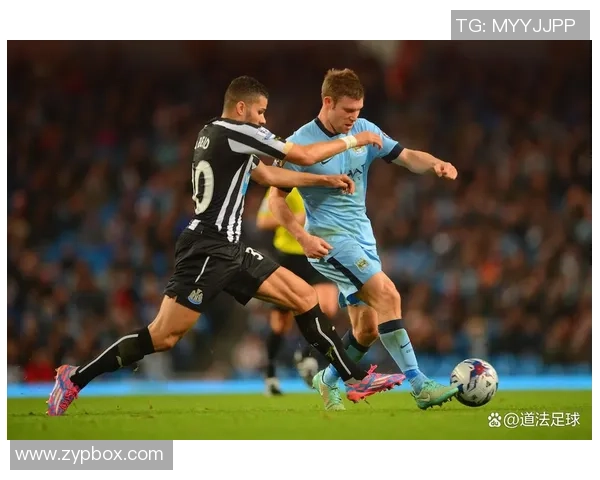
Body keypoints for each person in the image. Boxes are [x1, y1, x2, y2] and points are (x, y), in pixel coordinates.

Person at [47, 75, 406, 416]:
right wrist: (354, 140)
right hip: (207, 249)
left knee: (304, 296)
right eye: (260, 112)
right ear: (241, 108)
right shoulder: (238, 131)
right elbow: (302, 155)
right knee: (163, 336)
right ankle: (75, 378)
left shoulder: (213, 133)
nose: (263, 120)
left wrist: (324, 181)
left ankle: (353, 377)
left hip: (230, 248)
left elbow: (267, 174)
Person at [268, 68, 460, 412]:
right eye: (347, 111)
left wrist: (436, 163)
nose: (353, 118)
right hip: (328, 240)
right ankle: (420, 385)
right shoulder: (300, 143)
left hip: (362, 238)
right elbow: (275, 200)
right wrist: (301, 237)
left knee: (367, 329)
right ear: (328, 102)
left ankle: (327, 380)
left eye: (358, 110)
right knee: (389, 296)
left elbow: (405, 156)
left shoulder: (365, 130)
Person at [256, 187, 339, 395]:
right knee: (281, 323)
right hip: (288, 258)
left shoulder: (323, 183)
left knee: (328, 307)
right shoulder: (282, 186)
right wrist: (294, 219)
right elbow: (262, 221)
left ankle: (306, 354)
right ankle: (270, 373)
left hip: (317, 254)